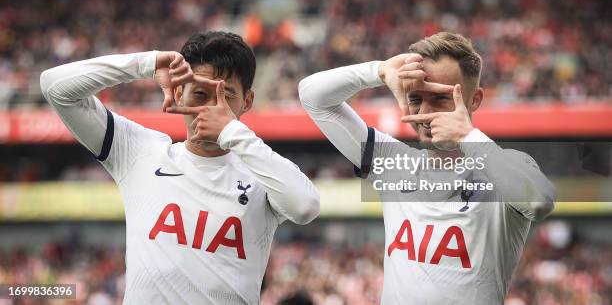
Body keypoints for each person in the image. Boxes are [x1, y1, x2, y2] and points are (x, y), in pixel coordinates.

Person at [40, 31, 320, 304]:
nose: (211, 108)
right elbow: (55, 87)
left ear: (247, 102)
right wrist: (145, 64)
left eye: (227, 96)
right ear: (178, 93)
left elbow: (306, 206)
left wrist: (232, 131)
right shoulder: (140, 151)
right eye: (200, 93)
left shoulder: (260, 174)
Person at [299, 32, 555, 304]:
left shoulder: (503, 166)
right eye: (416, 98)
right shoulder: (391, 161)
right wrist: (379, 70)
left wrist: (467, 137)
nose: (425, 111)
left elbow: (540, 201)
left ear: (475, 100)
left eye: (441, 98)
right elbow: (313, 97)